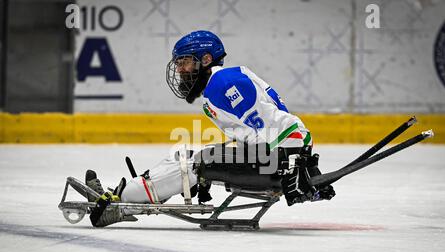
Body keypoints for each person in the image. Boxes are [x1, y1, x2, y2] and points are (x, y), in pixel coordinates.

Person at [87, 30, 334, 228]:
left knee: (195, 163)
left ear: (206, 60)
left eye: (185, 63)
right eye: (179, 64)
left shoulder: (225, 84)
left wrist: (296, 166)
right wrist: (304, 166)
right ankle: (125, 196)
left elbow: (285, 125)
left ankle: (119, 202)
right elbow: (262, 134)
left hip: (274, 166)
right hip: (274, 161)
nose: (181, 70)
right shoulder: (219, 84)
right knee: (185, 156)